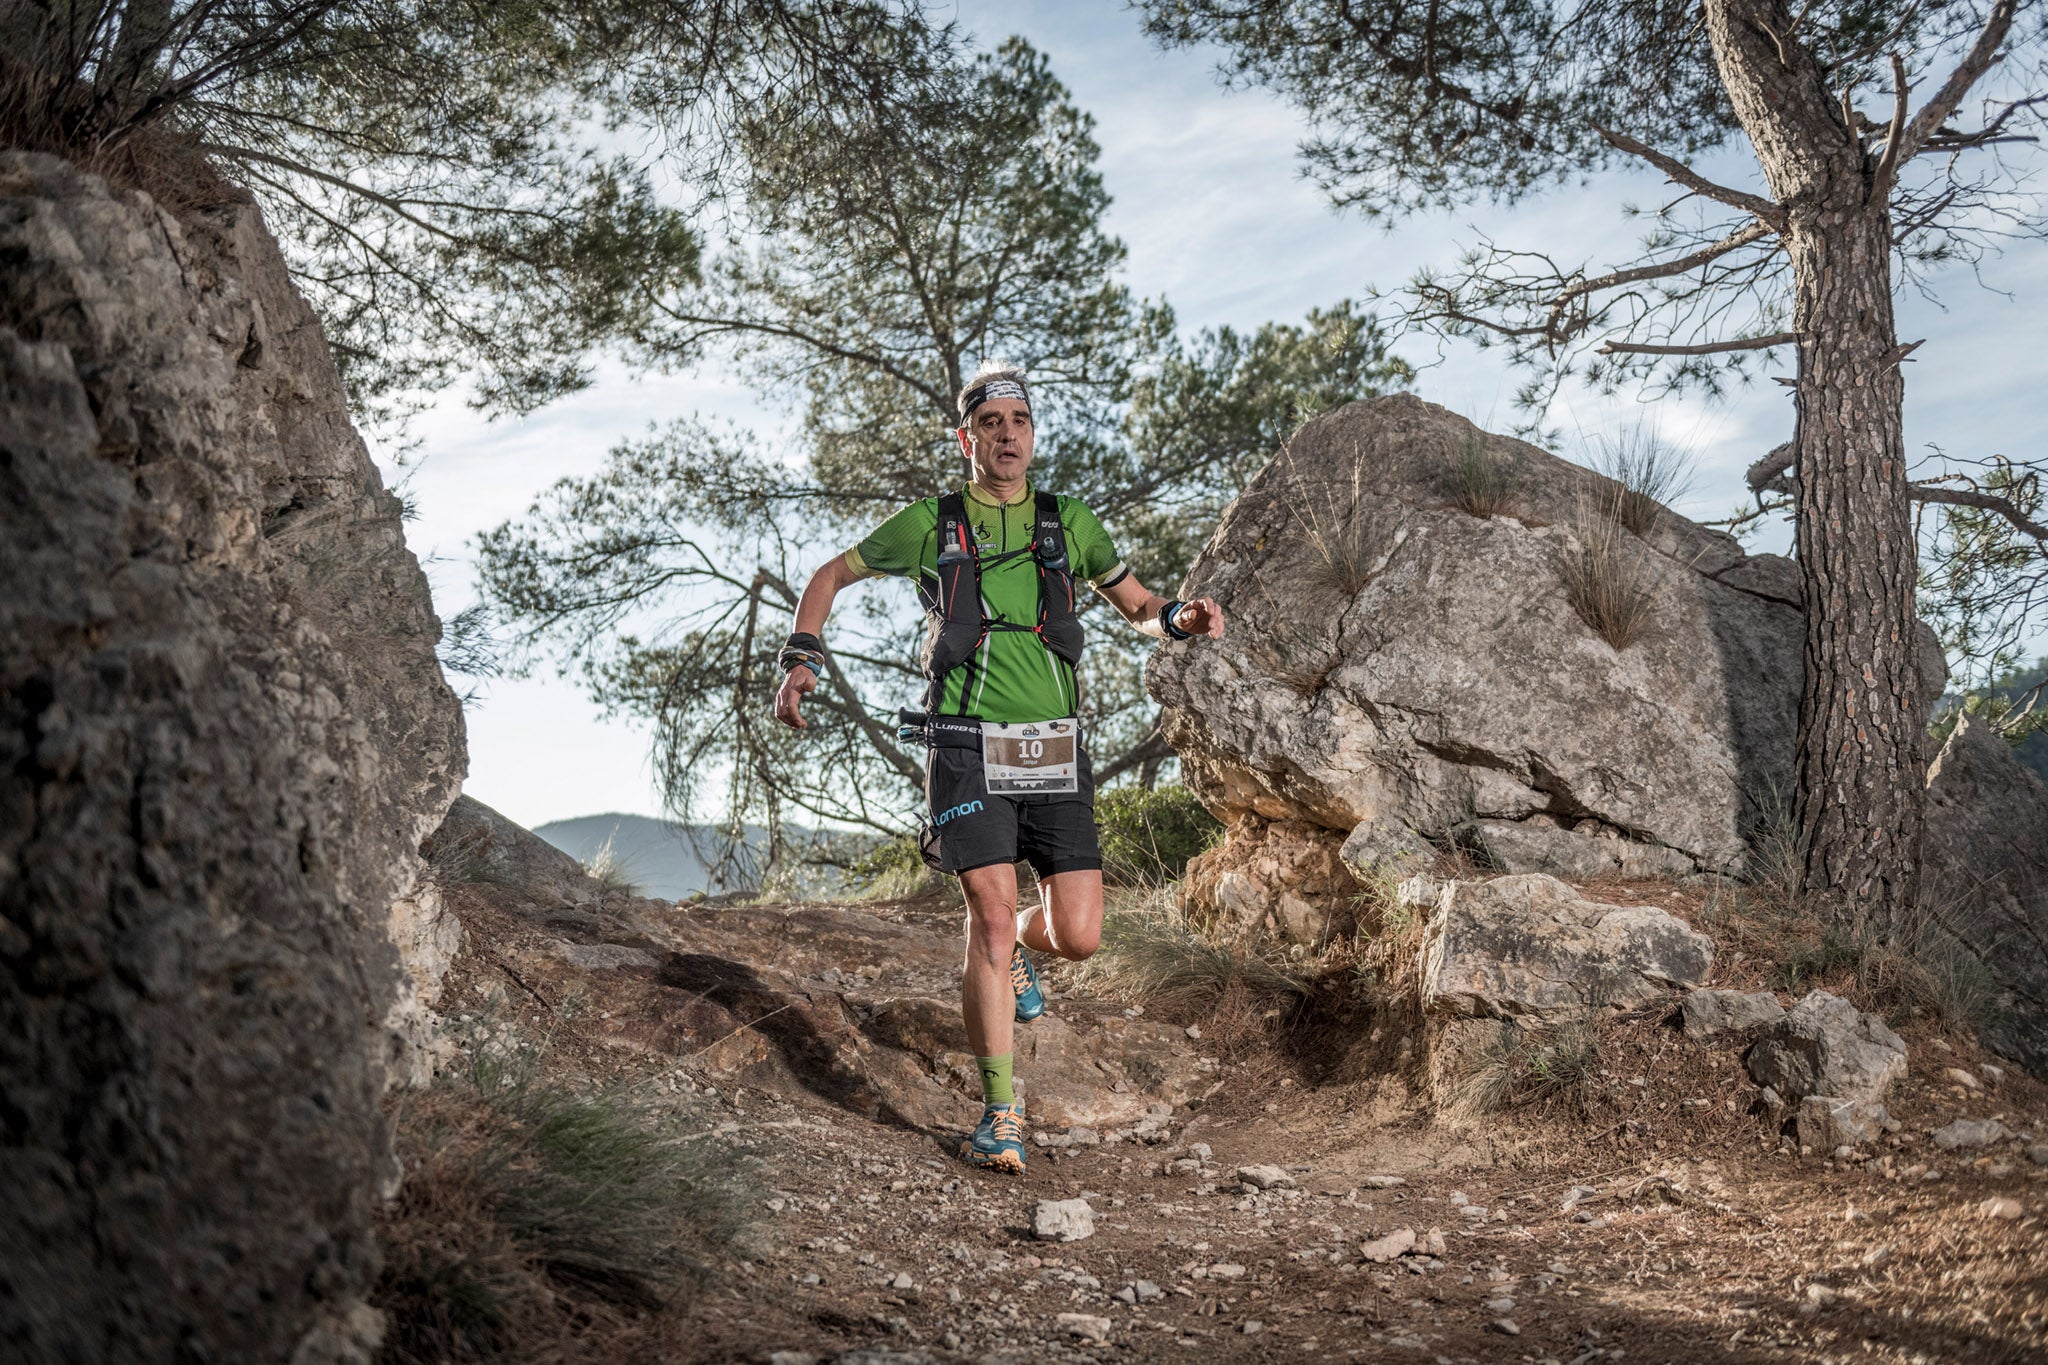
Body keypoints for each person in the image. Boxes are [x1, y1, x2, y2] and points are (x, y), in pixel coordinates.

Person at [770, 361, 1224, 1173]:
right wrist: (802, 655)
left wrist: (1181, 619)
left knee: (1079, 934)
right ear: (967, 437)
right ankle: (1000, 1111)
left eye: (1020, 420)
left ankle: (1018, 946)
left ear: (1032, 435)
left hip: (1054, 743)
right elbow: (829, 575)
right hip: (964, 741)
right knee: (987, 910)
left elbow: (1142, 608)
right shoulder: (932, 522)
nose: (1007, 433)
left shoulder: (1069, 521)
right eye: (991, 422)